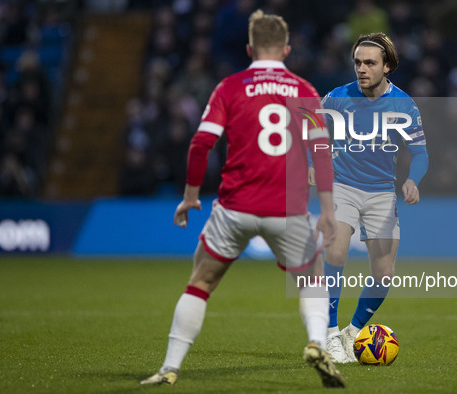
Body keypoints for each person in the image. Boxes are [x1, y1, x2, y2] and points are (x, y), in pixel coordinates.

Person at [141, 10, 345, 388]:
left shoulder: (230, 87)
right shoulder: (305, 91)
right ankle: (318, 343)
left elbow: (202, 142)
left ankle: (170, 368)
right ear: (286, 49)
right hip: (288, 209)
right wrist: (329, 211)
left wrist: (189, 197)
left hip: (235, 207)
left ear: (250, 48)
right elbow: (321, 152)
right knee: (313, 281)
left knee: (200, 281)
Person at [309, 32, 428, 363]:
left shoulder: (403, 105)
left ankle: (353, 331)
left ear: (387, 66)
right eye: (358, 62)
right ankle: (331, 336)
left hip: (381, 193)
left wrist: (413, 180)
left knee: (384, 273)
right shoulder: (336, 98)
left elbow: (420, 153)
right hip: (342, 186)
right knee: (335, 250)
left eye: (370, 63)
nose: (361, 68)